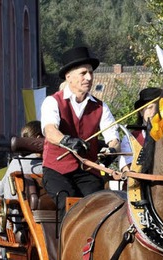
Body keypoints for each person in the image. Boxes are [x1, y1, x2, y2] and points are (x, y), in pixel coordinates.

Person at [40, 46, 120, 219]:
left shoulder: (101, 107)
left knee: (100, 206)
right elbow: (50, 131)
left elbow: (114, 138)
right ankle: (66, 245)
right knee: (68, 203)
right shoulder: (52, 102)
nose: (89, 78)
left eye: (91, 73)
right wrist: (68, 141)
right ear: (69, 76)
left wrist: (111, 150)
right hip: (57, 170)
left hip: (88, 171)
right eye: (83, 73)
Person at [0, 120, 44, 200]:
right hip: (36, 211)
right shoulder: (45, 164)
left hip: (12, 211)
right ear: (38, 139)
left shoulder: (15, 162)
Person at [119, 87, 162, 172]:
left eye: (157, 108)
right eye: (150, 108)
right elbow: (127, 168)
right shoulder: (130, 138)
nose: (153, 112)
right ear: (141, 111)